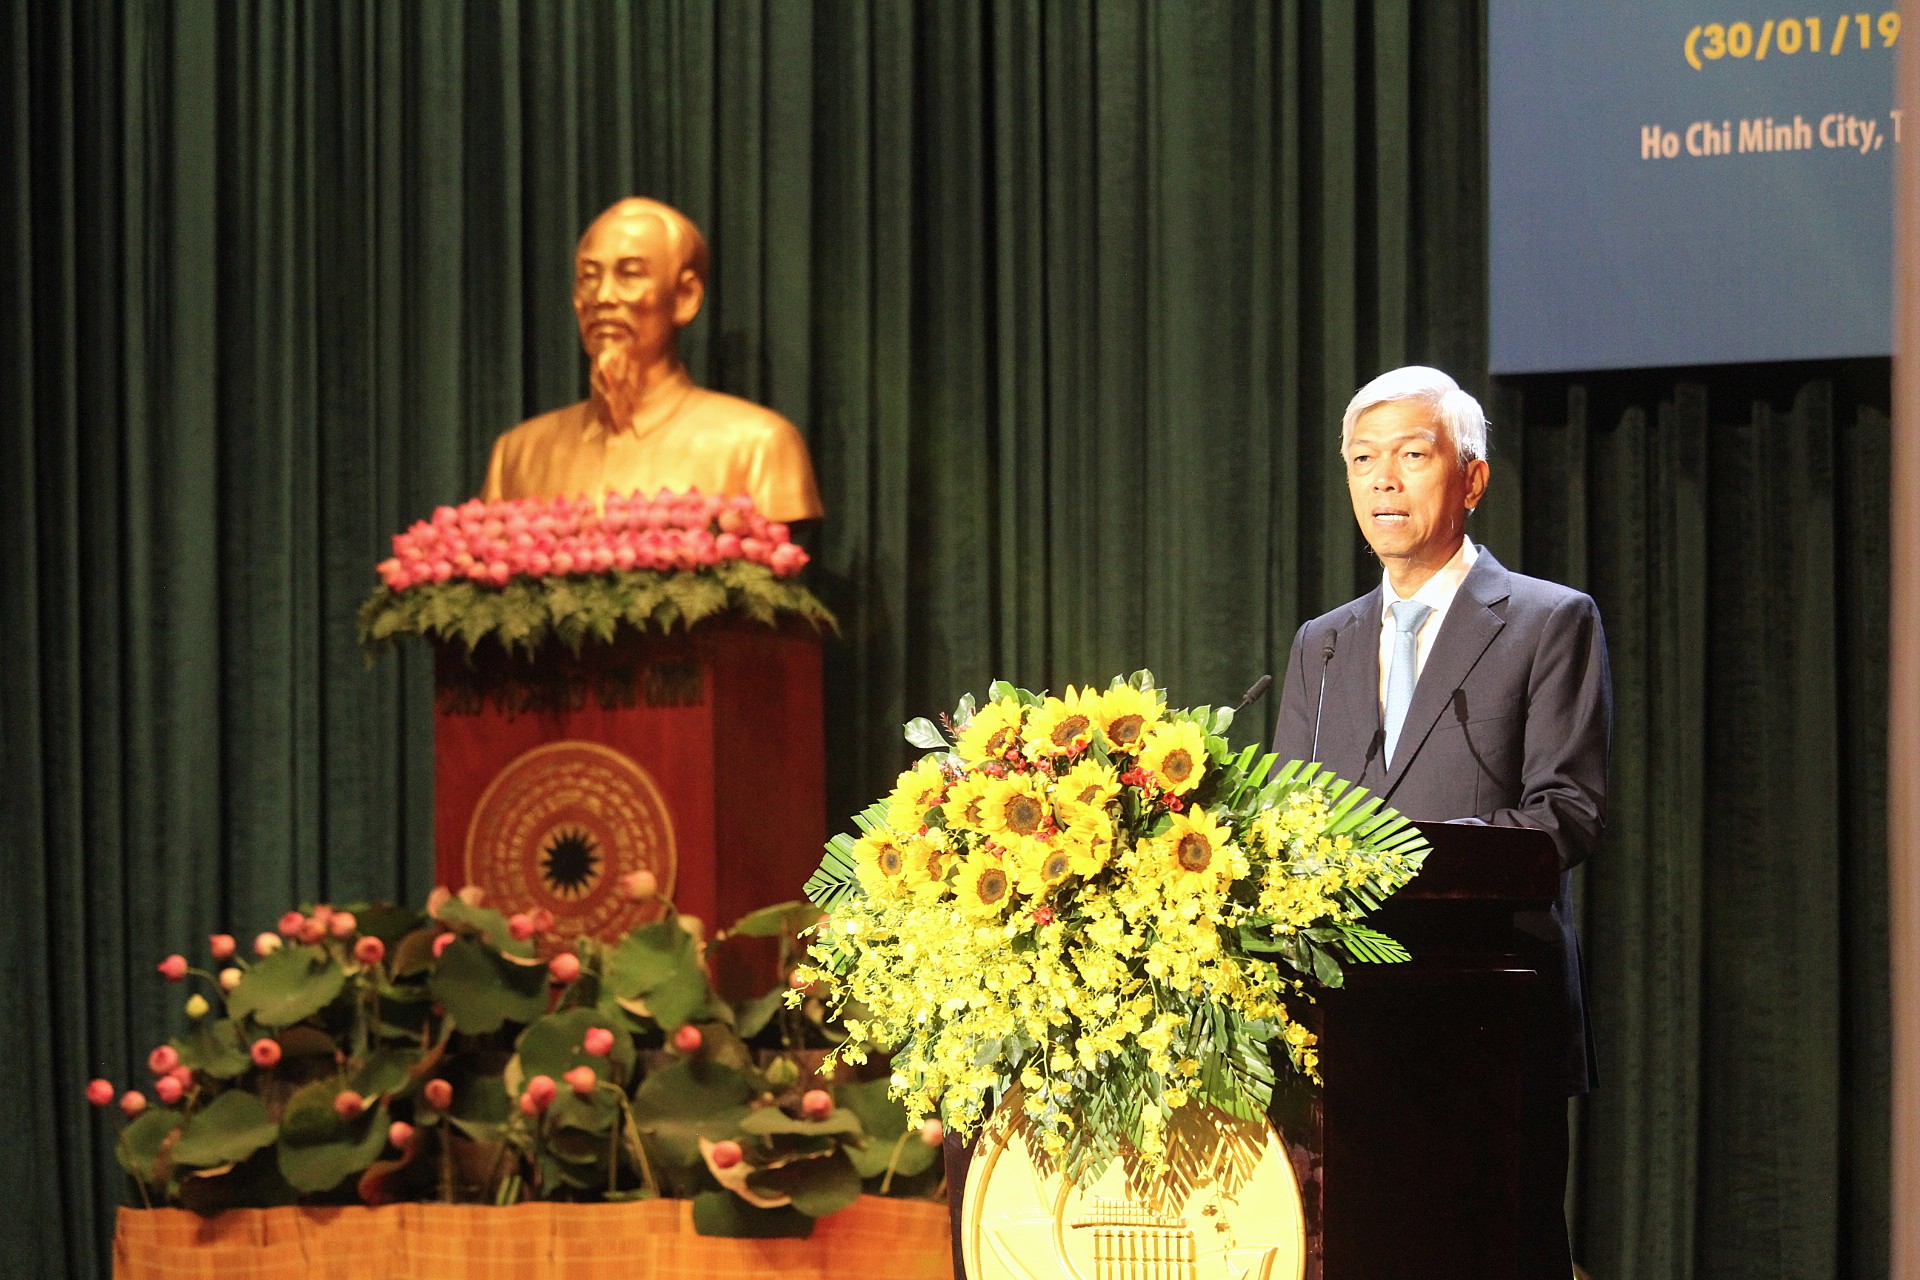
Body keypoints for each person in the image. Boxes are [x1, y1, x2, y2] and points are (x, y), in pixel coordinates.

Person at [1270, 365, 1611, 1278]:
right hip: (1343, 1023)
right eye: (1362, 460)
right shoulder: (1324, 642)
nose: (1383, 479)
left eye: (1412, 456)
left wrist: (1397, 860)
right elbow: (1287, 820)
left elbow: (1565, 816)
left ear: (1472, 477)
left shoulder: (1547, 621)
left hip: (1494, 1015)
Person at [482, 197, 825, 523]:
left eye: (629, 274)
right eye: (589, 276)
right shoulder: (516, 454)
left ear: (685, 297)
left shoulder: (758, 446)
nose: (602, 297)